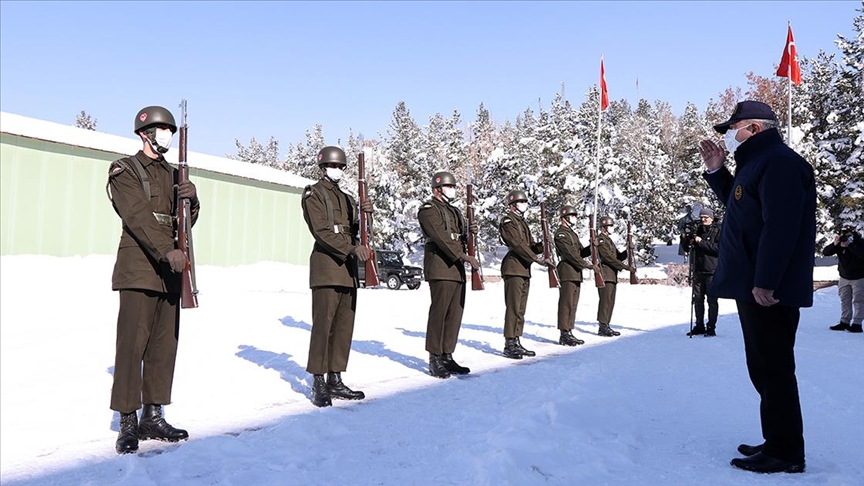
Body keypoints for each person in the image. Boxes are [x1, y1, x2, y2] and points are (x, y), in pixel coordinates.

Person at [699, 100, 815, 474]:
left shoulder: (779, 163)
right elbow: (742, 210)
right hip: (753, 284)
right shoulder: (757, 163)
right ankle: (778, 439)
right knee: (764, 366)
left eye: (735, 129)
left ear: (755, 128)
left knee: (774, 367)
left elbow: (781, 227)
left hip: (767, 288)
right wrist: (717, 171)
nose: (730, 137)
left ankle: (786, 452)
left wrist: (767, 280)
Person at [106, 105, 200, 454]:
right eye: (162, 130)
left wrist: (193, 200)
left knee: (163, 346)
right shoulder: (125, 170)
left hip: (170, 271)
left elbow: (183, 222)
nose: (167, 136)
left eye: (171, 131)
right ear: (145, 134)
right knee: (132, 346)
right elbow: (138, 217)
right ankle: (128, 420)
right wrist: (166, 250)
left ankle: (153, 415)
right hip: (139, 267)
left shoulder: (174, 174)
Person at [301, 146, 373, 407]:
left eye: (341, 167)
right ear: (323, 167)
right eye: (333, 166)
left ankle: (335, 377)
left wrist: (367, 215)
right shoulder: (313, 194)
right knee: (323, 325)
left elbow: (358, 232)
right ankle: (318, 380)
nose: (338, 170)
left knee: (343, 326)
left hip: (347, 271)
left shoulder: (348, 198)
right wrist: (351, 249)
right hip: (327, 267)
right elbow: (321, 231)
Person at [417, 171, 480, 378]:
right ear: (437, 189)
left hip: (456, 268)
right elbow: (441, 237)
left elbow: (459, 236)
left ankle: (447, 355)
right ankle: (435, 357)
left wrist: (470, 233)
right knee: (440, 312)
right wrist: (463, 255)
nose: (452, 190)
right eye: (448, 186)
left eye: (453, 186)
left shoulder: (454, 211)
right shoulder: (428, 210)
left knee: (454, 313)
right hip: (440, 266)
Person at [498, 190, 553, 359]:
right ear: (512, 205)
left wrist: (543, 244)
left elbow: (529, 245)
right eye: (521, 202)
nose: (524, 205)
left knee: (520, 309)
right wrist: (536, 258)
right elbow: (517, 244)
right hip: (513, 267)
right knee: (513, 307)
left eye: (524, 202)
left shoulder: (522, 222)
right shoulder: (508, 221)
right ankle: (509, 343)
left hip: (523, 269)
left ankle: (516, 340)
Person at [553, 205, 593, 346]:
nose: (574, 218)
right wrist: (586, 264)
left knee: (573, 303)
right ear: (564, 218)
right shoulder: (561, 234)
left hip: (575, 271)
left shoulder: (572, 234)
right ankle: (564, 333)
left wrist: (592, 247)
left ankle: (569, 330)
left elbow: (580, 253)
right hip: (567, 270)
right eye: (572, 215)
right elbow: (570, 254)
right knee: (566, 303)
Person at [680, 207, 721, 337]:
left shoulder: (718, 230)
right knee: (697, 299)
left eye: (706, 218)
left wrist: (701, 242)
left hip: (711, 270)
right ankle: (699, 325)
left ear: (711, 218)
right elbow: (687, 248)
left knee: (712, 300)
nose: (703, 220)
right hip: (698, 269)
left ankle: (711, 327)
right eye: (701, 217)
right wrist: (684, 238)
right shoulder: (697, 229)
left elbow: (718, 249)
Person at [594, 216, 633, 337]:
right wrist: (626, 267)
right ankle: (602, 326)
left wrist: (628, 250)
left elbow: (618, 256)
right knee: (605, 300)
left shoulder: (608, 240)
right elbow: (608, 258)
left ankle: (606, 324)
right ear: (603, 228)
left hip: (612, 274)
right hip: (605, 274)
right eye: (609, 226)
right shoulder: (601, 240)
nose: (611, 228)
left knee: (610, 301)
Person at [823, 226, 864, 333]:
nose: (844, 236)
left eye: (847, 234)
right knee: (845, 300)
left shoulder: (859, 242)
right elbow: (826, 252)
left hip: (859, 277)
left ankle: (857, 324)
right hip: (844, 277)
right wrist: (835, 244)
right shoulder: (840, 244)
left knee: (859, 301)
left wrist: (850, 245)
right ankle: (844, 322)